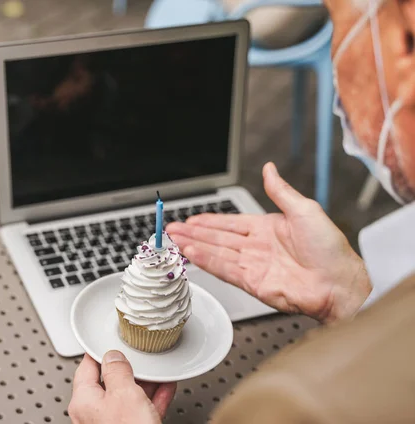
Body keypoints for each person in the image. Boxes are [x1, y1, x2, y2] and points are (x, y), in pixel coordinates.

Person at [68, 0, 415, 422]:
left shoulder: (299, 403)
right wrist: (349, 292)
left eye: (338, 27)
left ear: (404, 41)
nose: (336, 55)